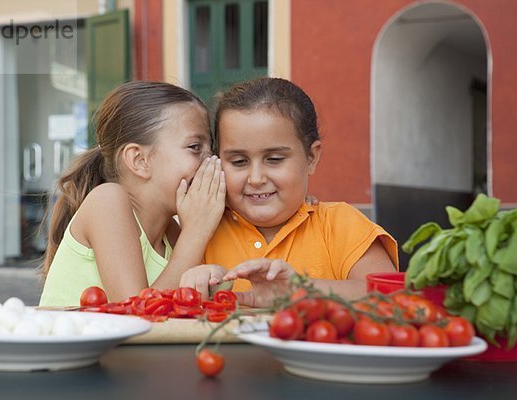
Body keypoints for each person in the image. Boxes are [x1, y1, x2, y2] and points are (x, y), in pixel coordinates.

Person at [180, 77, 398, 307]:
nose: (256, 179)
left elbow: (392, 296)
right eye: (239, 161)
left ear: (311, 157)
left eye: (274, 159)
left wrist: (301, 288)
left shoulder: (342, 225)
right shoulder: (201, 231)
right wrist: (196, 281)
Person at [39, 81, 225, 307]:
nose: (212, 160)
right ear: (139, 160)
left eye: (211, 147)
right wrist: (196, 231)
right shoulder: (107, 201)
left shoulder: (173, 234)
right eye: (195, 147)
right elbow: (137, 313)